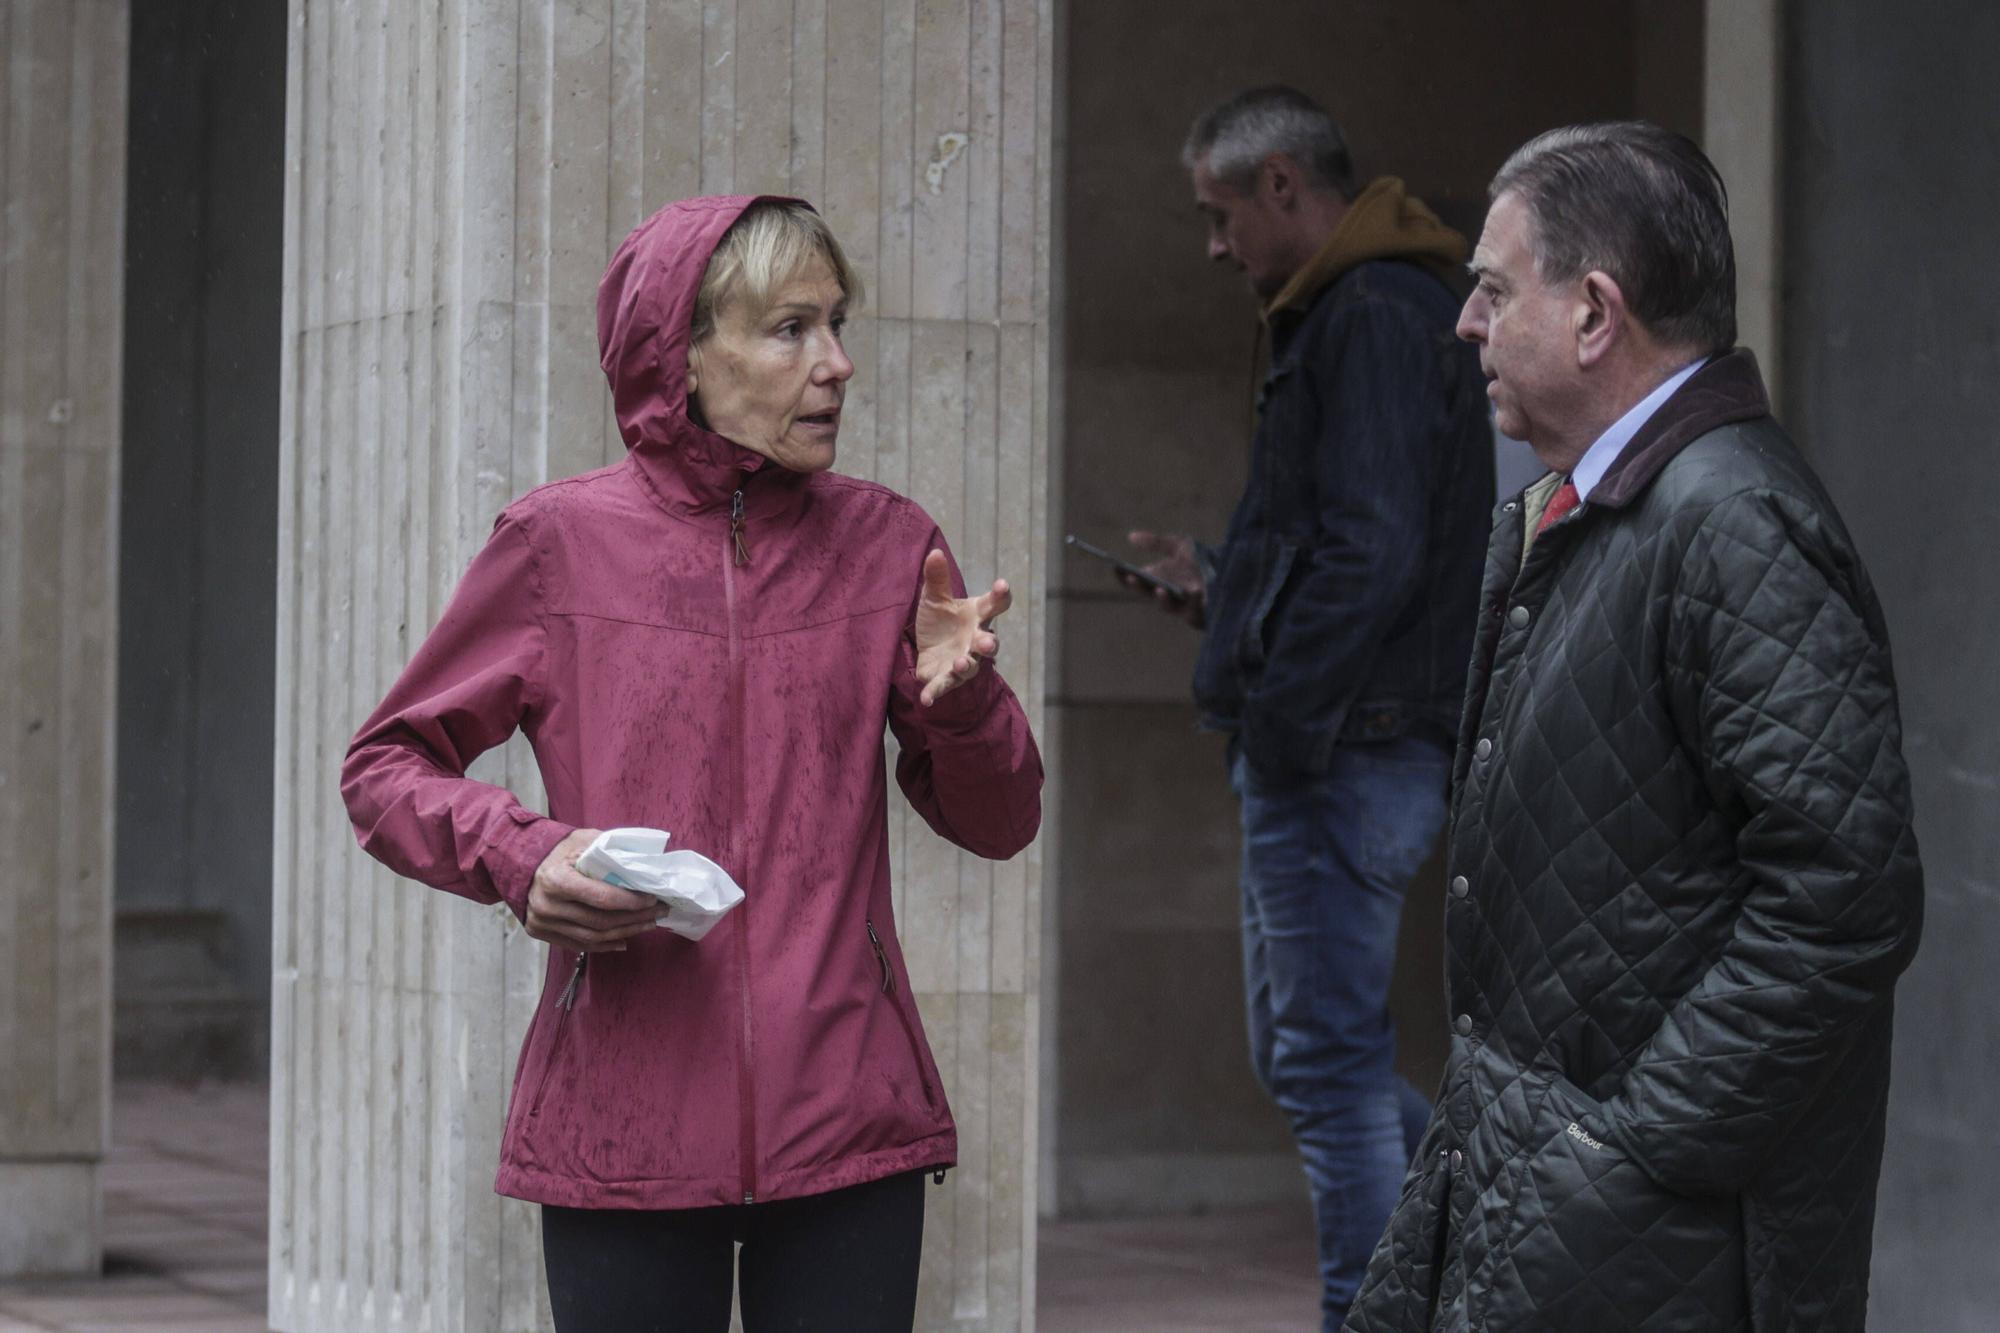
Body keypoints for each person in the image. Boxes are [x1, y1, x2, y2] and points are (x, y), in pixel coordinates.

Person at [340, 196, 1042, 1332]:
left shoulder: (888, 545)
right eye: (790, 329)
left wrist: (966, 712)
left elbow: (1000, 821)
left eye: (837, 323)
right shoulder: (553, 544)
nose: (837, 364)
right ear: (684, 356)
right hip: (620, 1123)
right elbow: (384, 767)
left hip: (849, 1125)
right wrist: (526, 857)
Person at [1343, 122, 1923, 1332]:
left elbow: (1842, 897)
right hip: (1566, 1209)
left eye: (1493, 293)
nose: (1467, 327)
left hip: (1654, 1235)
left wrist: (1634, 1148)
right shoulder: (1593, 504)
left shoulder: (1731, 522)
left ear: (1594, 313)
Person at [1121, 87, 1494, 1329]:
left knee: (1327, 1068)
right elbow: (1344, 546)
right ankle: (1486, 1224)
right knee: (1308, 1059)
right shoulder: (1354, 306)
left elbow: (1371, 551)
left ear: (1281, 184)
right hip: (1342, 742)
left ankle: (1387, 1304)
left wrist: (1279, 721)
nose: (1213, 247)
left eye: (1219, 215)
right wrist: (1220, 592)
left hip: (1343, 753)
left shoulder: (1374, 311)